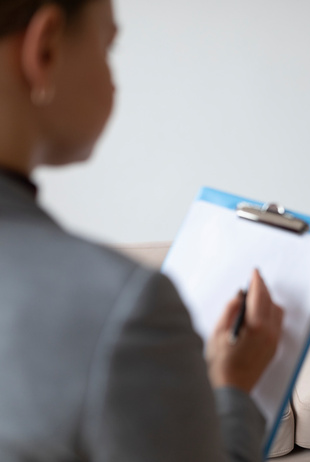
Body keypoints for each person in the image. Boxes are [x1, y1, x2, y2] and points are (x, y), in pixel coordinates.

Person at [0, 1, 283, 461]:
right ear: (46, 47)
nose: (114, 80)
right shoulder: (124, 308)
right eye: (108, 46)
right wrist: (233, 387)